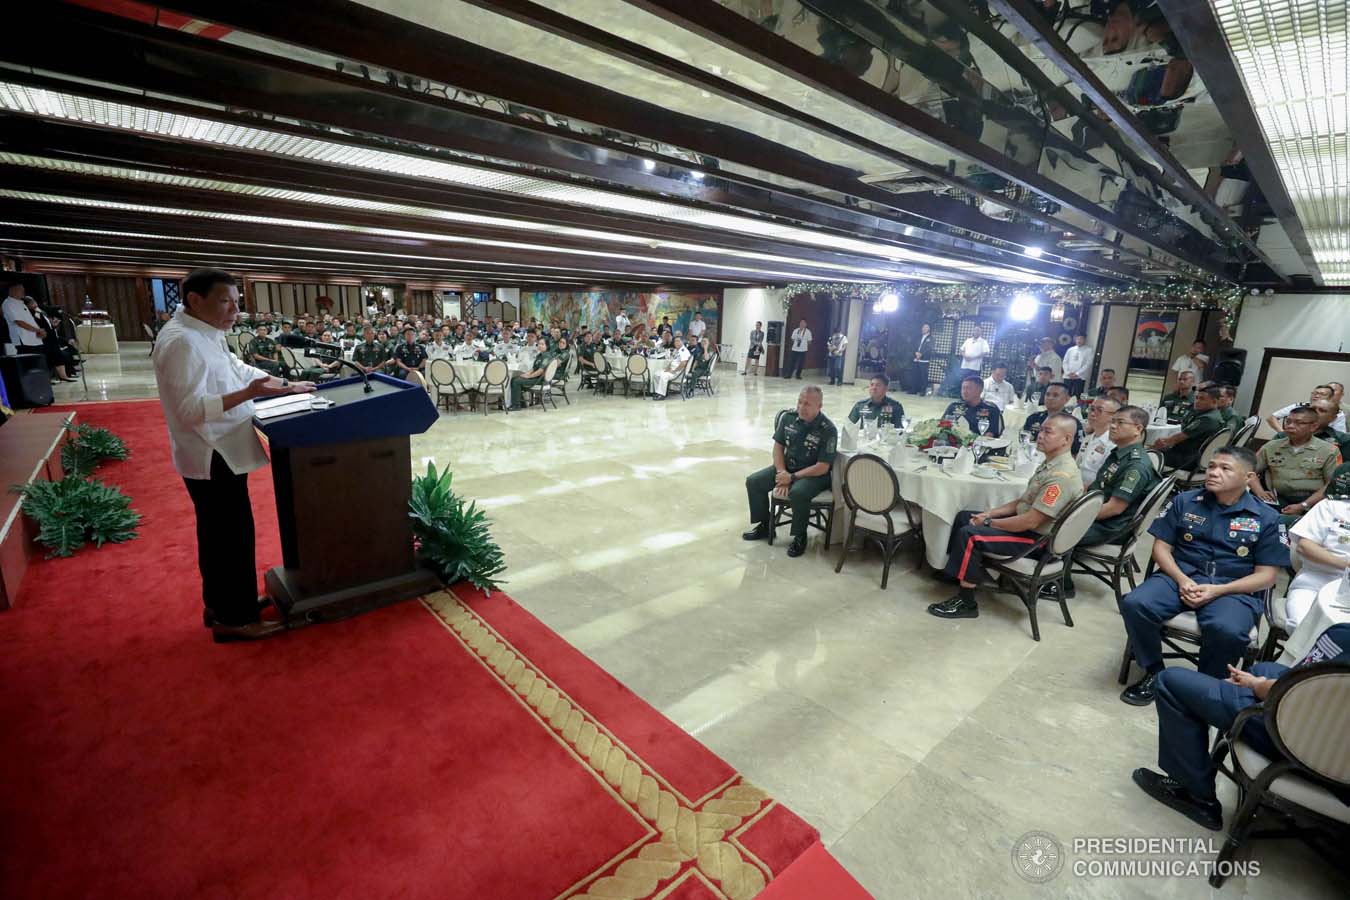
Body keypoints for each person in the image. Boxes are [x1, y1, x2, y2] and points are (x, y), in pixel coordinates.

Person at [154, 268, 314, 642]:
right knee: (227, 537)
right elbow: (190, 409)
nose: (234, 312)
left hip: (221, 447)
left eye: (237, 303)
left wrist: (285, 386)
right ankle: (234, 618)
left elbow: (237, 370)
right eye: (226, 301)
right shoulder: (181, 342)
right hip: (211, 453)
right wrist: (249, 394)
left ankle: (225, 603)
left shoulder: (205, 332)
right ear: (195, 300)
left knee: (226, 534)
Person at [1134, 622, 1350, 832]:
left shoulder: (1343, 637)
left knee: (1170, 681)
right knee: (1264, 668)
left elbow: (1288, 694)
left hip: (1306, 747)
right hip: (1334, 743)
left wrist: (1256, 685)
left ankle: (1196, 796)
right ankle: (1240, 691)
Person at [1117, 446, 1287, 706]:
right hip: (1181, 575)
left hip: (1232, 587)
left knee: (1227, 630)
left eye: (1225, 468)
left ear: (1248, 477)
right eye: (1211, 466)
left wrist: (1218, 590)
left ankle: (1203, 687)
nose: (1214, 473)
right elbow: (1161, 547)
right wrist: (1182, 579)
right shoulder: (1185, 501)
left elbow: (1266, 576)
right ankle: (1154, 671)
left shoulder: (1267, 518)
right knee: (1135, 603)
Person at [927, 414, 1083, 620]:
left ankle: (966, 601)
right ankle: (957, 572)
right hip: (1030, 530)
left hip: (1038, 542)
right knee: (966, 516)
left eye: (1048, 431)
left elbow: (1030, 521)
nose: (1040, 436)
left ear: (1067, 439)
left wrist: (990, 522)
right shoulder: (1051, 464)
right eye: (1041, 430)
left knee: (970, 535)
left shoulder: (1061, 477)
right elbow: (1023, 502)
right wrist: (988, 514)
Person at [742, 385, 837, 558]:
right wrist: (781, 473)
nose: (801, 407)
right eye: (799, 402)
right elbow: (778, 448)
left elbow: (823, 466)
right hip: (787, 468)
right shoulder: (788, 418)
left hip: (814, 474)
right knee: (754, 481)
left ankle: (800, 536)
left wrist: (792, 478)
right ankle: (765, 525)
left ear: (819, 406)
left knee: (798, 492)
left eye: (807, 404)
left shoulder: (828, 429)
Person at [1248, 405, 1341, 524]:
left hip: (1312, 501)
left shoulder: (1329, 450)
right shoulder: (1271, 447)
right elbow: (1248, 472)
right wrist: (1260, 492)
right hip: (1278, 497)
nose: (1290, 426)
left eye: (1299, 423)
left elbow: (1330, 485)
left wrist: (1303, 505)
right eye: (1288, 421)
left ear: (1313, 426)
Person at [1153, 384, 1225, 472]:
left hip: (1186, 460)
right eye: (1196, 398)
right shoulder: (1213, 415)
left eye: (1202, 399)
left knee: (1147, 455)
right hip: (1192, 458)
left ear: (1214, 401)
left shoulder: (1207, 419)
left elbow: (1174, 440)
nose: (1197, 401)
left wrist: (1153, 447)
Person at [26, 298, 79, 381]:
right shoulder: (32, 313)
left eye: (34, 301)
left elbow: (46, 323)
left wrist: (53, 325)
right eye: (32, 303)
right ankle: (53, 377)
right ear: (28, 305)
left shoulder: (40, 311)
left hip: (51, 335)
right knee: (52, 357)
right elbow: (39, 324)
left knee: (58, 356)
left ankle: (64, 375)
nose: (35, 304)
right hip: (45, 338)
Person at [1022, 383, 1082, 453]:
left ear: (1067, 399)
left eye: (1055, 395)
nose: (1050, 398)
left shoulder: (1072, 423)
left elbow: (1076, 452)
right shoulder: (1034, 418)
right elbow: (1023, 443)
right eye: (1047, 394)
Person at [1076, 395, 1121, 487]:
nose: (1092, 414)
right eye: (1091, 409)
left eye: (1099, 410)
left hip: (1092, 494)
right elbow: (1078, 466)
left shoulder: (1113, 444)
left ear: (1114, 416)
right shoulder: (1089, 437)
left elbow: (1105, 483)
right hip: (1076, 485)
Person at [1266, 385, 1344, 434]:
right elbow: (1271, 418)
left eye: (1322, 394)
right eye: (1314, 393)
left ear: (1330, 397)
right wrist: (1282, 433)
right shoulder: (1300, 405)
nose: (1316, 396)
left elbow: (1339, 434)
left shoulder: (1337, 413)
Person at [3, 283, 47, 359]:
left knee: (40, 364)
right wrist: (37, 330)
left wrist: (39, 331)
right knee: (29, 365)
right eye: (21, 290)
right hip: (24, 341)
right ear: (12, 290)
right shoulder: (8, 303)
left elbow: (30, 321)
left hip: (35, 339)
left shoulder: (21, 303)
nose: (23, 292)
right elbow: (19, 322)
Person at [509, 338, 554, 409]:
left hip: (540, 380)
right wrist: (526, 374)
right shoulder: (540, 355)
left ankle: (516, 406)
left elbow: (540, 371)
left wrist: (529, 377)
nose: (540, 346)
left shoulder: (546, 356)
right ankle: (521, 403)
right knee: (515, 378)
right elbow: (533, 368)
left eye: (542, 344)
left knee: (516, 381)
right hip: (536, 378)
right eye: (539, 344)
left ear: (547, 346)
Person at [1061, 333, 1093, 399]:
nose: (1079, 340)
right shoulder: (1070, 349)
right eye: (1077, 339)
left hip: (1080, 377)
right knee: (1065, 394)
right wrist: (1068, 373)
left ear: (1085, 340)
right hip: (1068, 376)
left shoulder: (1089, 350)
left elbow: (1088, 364)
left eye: (1081, 339)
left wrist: (1077, 374)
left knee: (1077, 396)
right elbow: (1065, 362)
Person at [907, 321, 932, 394]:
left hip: (924, 360)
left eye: (926, 327)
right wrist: (916, 353)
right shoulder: (918, 337)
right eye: (923, 327)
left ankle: (923, 391)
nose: (924, 329)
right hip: (916, 358)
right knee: (915, 375)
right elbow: (913, 346)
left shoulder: (931, 338)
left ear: (929, 329)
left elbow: (928, 348)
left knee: (923, 376)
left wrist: (921, 354)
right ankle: (913, 390)